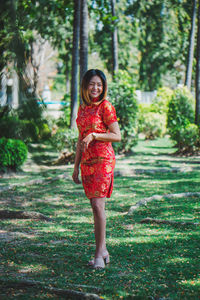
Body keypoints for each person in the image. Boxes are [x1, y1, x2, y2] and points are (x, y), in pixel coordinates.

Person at [72, 69, 121, 269]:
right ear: (84, 86)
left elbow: (116, 135)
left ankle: (99, 253)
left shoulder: (105, 107)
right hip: (87, 162)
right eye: (92, 84)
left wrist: (94, 135)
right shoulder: (82, 109)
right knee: (94, 206)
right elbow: (79, 139)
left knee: (98, 206)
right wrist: (75, 167)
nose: (96, 88)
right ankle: (104, 250)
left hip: (103, 160)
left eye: (99, 85)